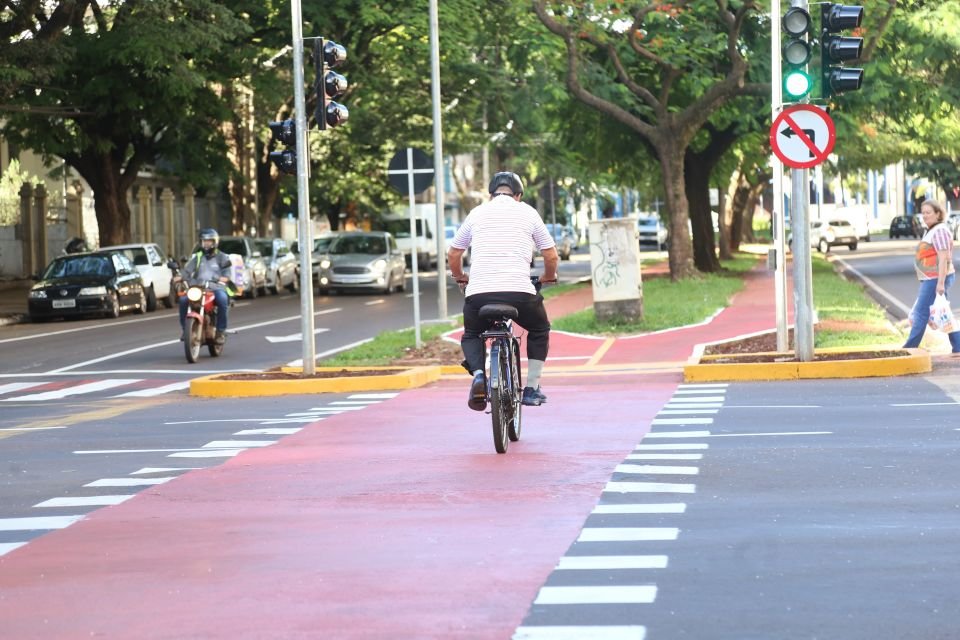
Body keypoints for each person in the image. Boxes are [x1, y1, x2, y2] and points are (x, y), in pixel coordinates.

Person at [447, 171, 559, 410]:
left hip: (478, 293)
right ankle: (531, 388)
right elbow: (550, 254)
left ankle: (478, 375)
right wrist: (548, 277)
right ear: (518, 195)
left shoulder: (476, 213)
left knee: (471, 333)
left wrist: (460, 277)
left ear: (491, 194)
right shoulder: (528, 212)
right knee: (540, 328)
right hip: (520, 293)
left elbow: (454, 253)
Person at [903, 199, 960, 355]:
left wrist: (940, 283)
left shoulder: (940, 230)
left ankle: (909, 349)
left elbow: (943, 258)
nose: (925, 216)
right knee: (945, 313)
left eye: (929, 212)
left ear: (938, 214)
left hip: (935, 279)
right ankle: (958, 346)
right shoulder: (931, 230)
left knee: (920, 313)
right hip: (932, 278)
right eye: (923, 213)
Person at [179, 228, 232, 343]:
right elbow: (187, 271)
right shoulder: (198, 257)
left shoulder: (222, 257)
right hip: (198, 288)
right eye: (204, 241)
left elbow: (227, 276)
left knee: (222, 299)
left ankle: (220, 332)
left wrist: (218, 279)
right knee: (183, 300)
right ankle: (185, 330)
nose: (206, 244)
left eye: (209, 241)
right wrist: (177, 277)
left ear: (215, 242)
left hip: (216, 288)